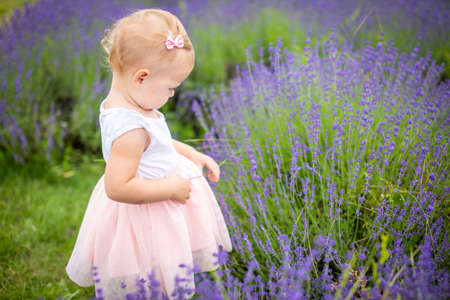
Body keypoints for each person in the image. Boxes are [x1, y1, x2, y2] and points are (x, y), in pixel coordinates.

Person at [65, 8, 233, 300]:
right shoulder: (130, 131)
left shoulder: (135, 104)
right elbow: (117, 186)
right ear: (141, 77)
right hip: (146, 210)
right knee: (150, 269)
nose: (171, 95)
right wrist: (169, 188)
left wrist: (193, 154)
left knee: (163, 265)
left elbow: (160, 142)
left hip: (156, 199)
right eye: (170, 87)